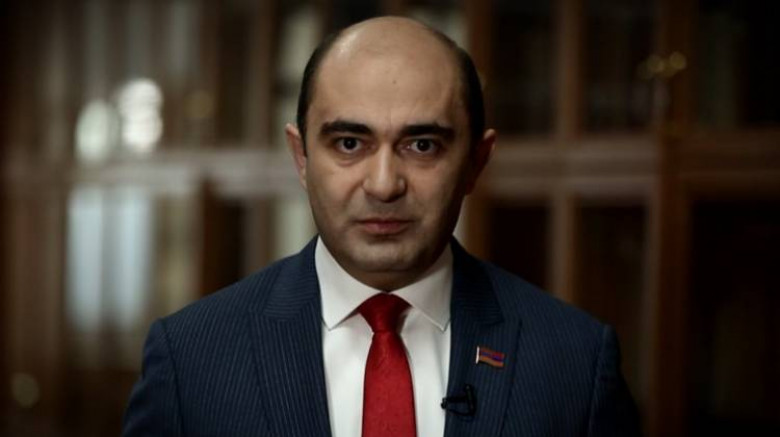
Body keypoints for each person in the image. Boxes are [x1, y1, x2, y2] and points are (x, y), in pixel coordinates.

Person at [122, 16, 640, 437]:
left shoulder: (575, 361)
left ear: (476, 162)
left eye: (422, 145)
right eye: (350, 143)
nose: (384, 184)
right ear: (301, 157)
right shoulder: (190, 358)